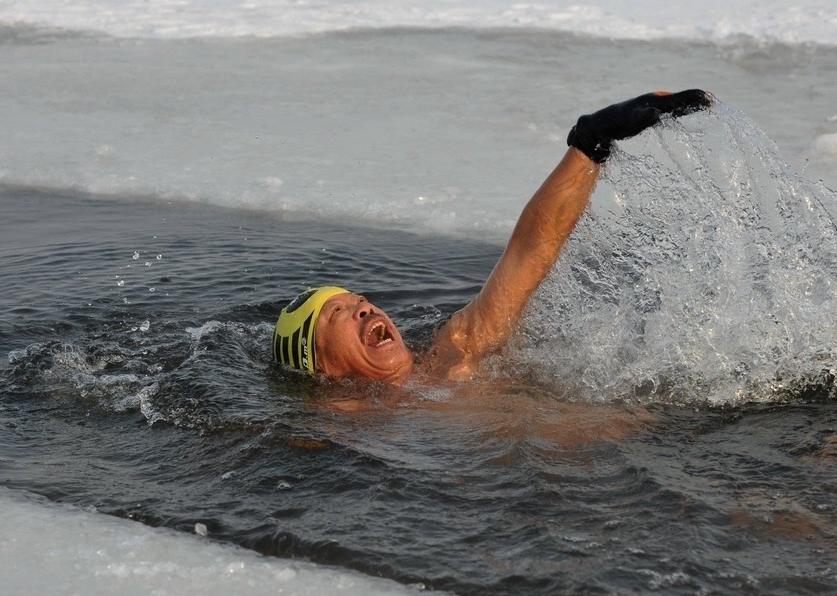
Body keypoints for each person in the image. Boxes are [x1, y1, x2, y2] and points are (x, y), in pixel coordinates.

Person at [272, 89, 712, 384]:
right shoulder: (340, 432)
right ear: (320, 368)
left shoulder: (454, 353)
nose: (363, 307)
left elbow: (528, 254)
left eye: (356, 301)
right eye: (336, 315)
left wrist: (588, 144)